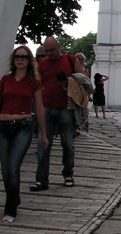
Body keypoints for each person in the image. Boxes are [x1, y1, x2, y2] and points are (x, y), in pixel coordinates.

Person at [0, 46, 48, 223]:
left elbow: (39, 108)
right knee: (5, 169)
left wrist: (43, 134)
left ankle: (10, 209)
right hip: (3, 127)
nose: (20, 60)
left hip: (23, 126)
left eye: (24, 57)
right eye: (17, 56)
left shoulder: (34, 82)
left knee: (13, 166)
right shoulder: (6, 79)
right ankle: (14, 197)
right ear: (13, 59)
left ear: (29, 60)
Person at [30, 36, 83, 191]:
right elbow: (37, 84)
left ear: (58, 47)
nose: (50, 53)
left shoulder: (70, 59)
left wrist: (69, 83)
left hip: (65, 107)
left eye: (52, 50)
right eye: (47, 51)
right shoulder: (43, 64)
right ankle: (41, 180)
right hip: (47, 108)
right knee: (43, 143)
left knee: (67, 143)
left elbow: (83, 79)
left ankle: (68, 174)